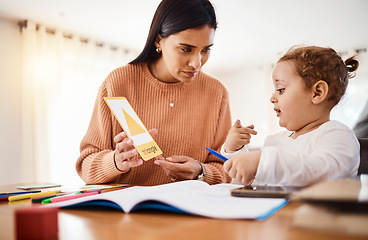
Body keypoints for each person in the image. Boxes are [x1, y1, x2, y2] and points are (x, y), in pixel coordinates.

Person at [76, 0, 232, 186]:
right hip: (126, 211)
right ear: (159, 40)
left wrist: (201, 171)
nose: (197, 63)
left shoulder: (217, 93)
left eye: (206, 50)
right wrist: (115, 162)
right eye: (186, 49)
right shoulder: (118, 82)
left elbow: (228, 169)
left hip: (190, 210)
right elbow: (85, 167)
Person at [221, 45, 361, 186]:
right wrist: (236, 152)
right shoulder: (273, 141)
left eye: (281, 90)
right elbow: (251, 183)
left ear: (317, 93)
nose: (272, 98)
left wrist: (262, 162)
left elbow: (326, 171)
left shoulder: (337, 134)